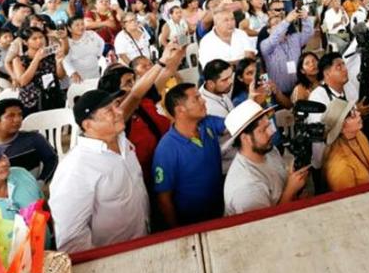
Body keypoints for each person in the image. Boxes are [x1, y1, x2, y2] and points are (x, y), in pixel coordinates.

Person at [49, 89, 150, 253]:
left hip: (144, 240)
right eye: (109, 111)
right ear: (88, 125)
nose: (120, 111)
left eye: (116, 105)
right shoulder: (76, 169)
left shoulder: (123, 142)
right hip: (115, 257)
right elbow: (72, 238)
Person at [152, 83, 226, 227]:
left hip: (220, 212)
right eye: (197, 99)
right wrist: (178, 233)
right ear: (180, 110)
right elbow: (163, 198)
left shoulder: (207, 124)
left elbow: (234, 123)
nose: (204, 101)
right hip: (192, 223)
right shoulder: (166, 149)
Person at [223, 100, 308, 216]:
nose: (271, 132)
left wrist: (290, 177)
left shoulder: (268, 150)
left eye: (269, 126)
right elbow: (265, 227)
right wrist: (290, 191)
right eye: (263, 130)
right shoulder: (246, 188)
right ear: (245, 138)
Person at [321, 98, 369, 191]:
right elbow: (351, 203)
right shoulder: (340, 167)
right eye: (352, 114)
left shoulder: (358, 135)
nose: (358, 113)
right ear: (341, 127)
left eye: (354, 110)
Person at [0, 98, 58, 187]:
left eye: (20, 115)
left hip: (30, 192)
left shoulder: (34, 139)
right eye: (11, 116)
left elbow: (52, 160)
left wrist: (42, 181)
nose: (17, 119)